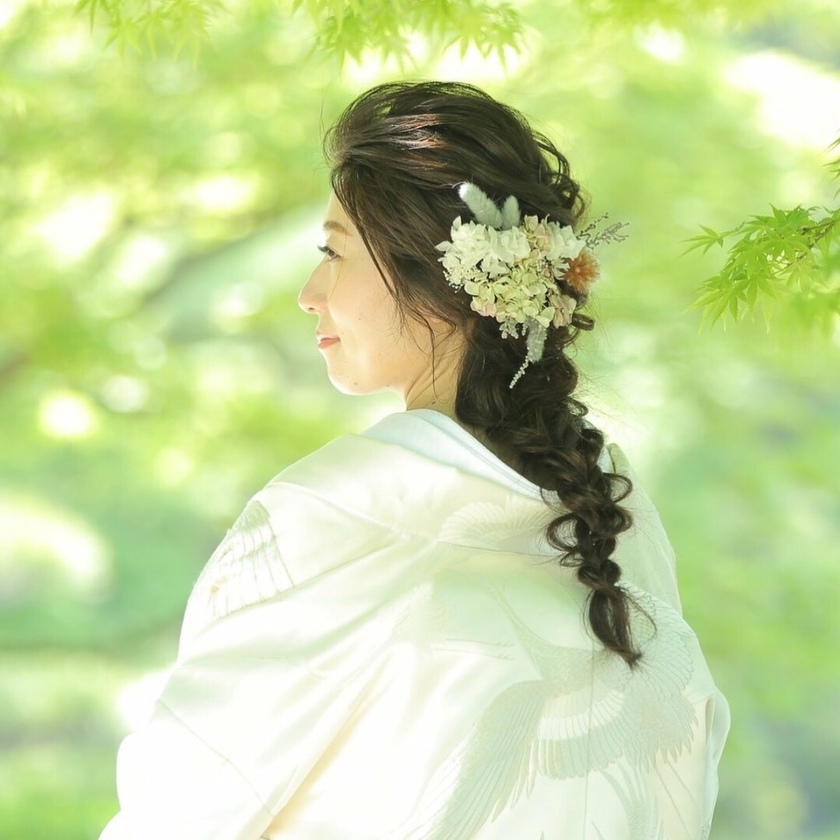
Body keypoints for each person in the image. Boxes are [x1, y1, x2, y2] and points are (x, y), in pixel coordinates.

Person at [100, 81, 729, 840]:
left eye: (333, 252)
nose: (308, 293)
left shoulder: (334, 512)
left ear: (436, 282)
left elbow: (185, 806)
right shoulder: (610, 515)